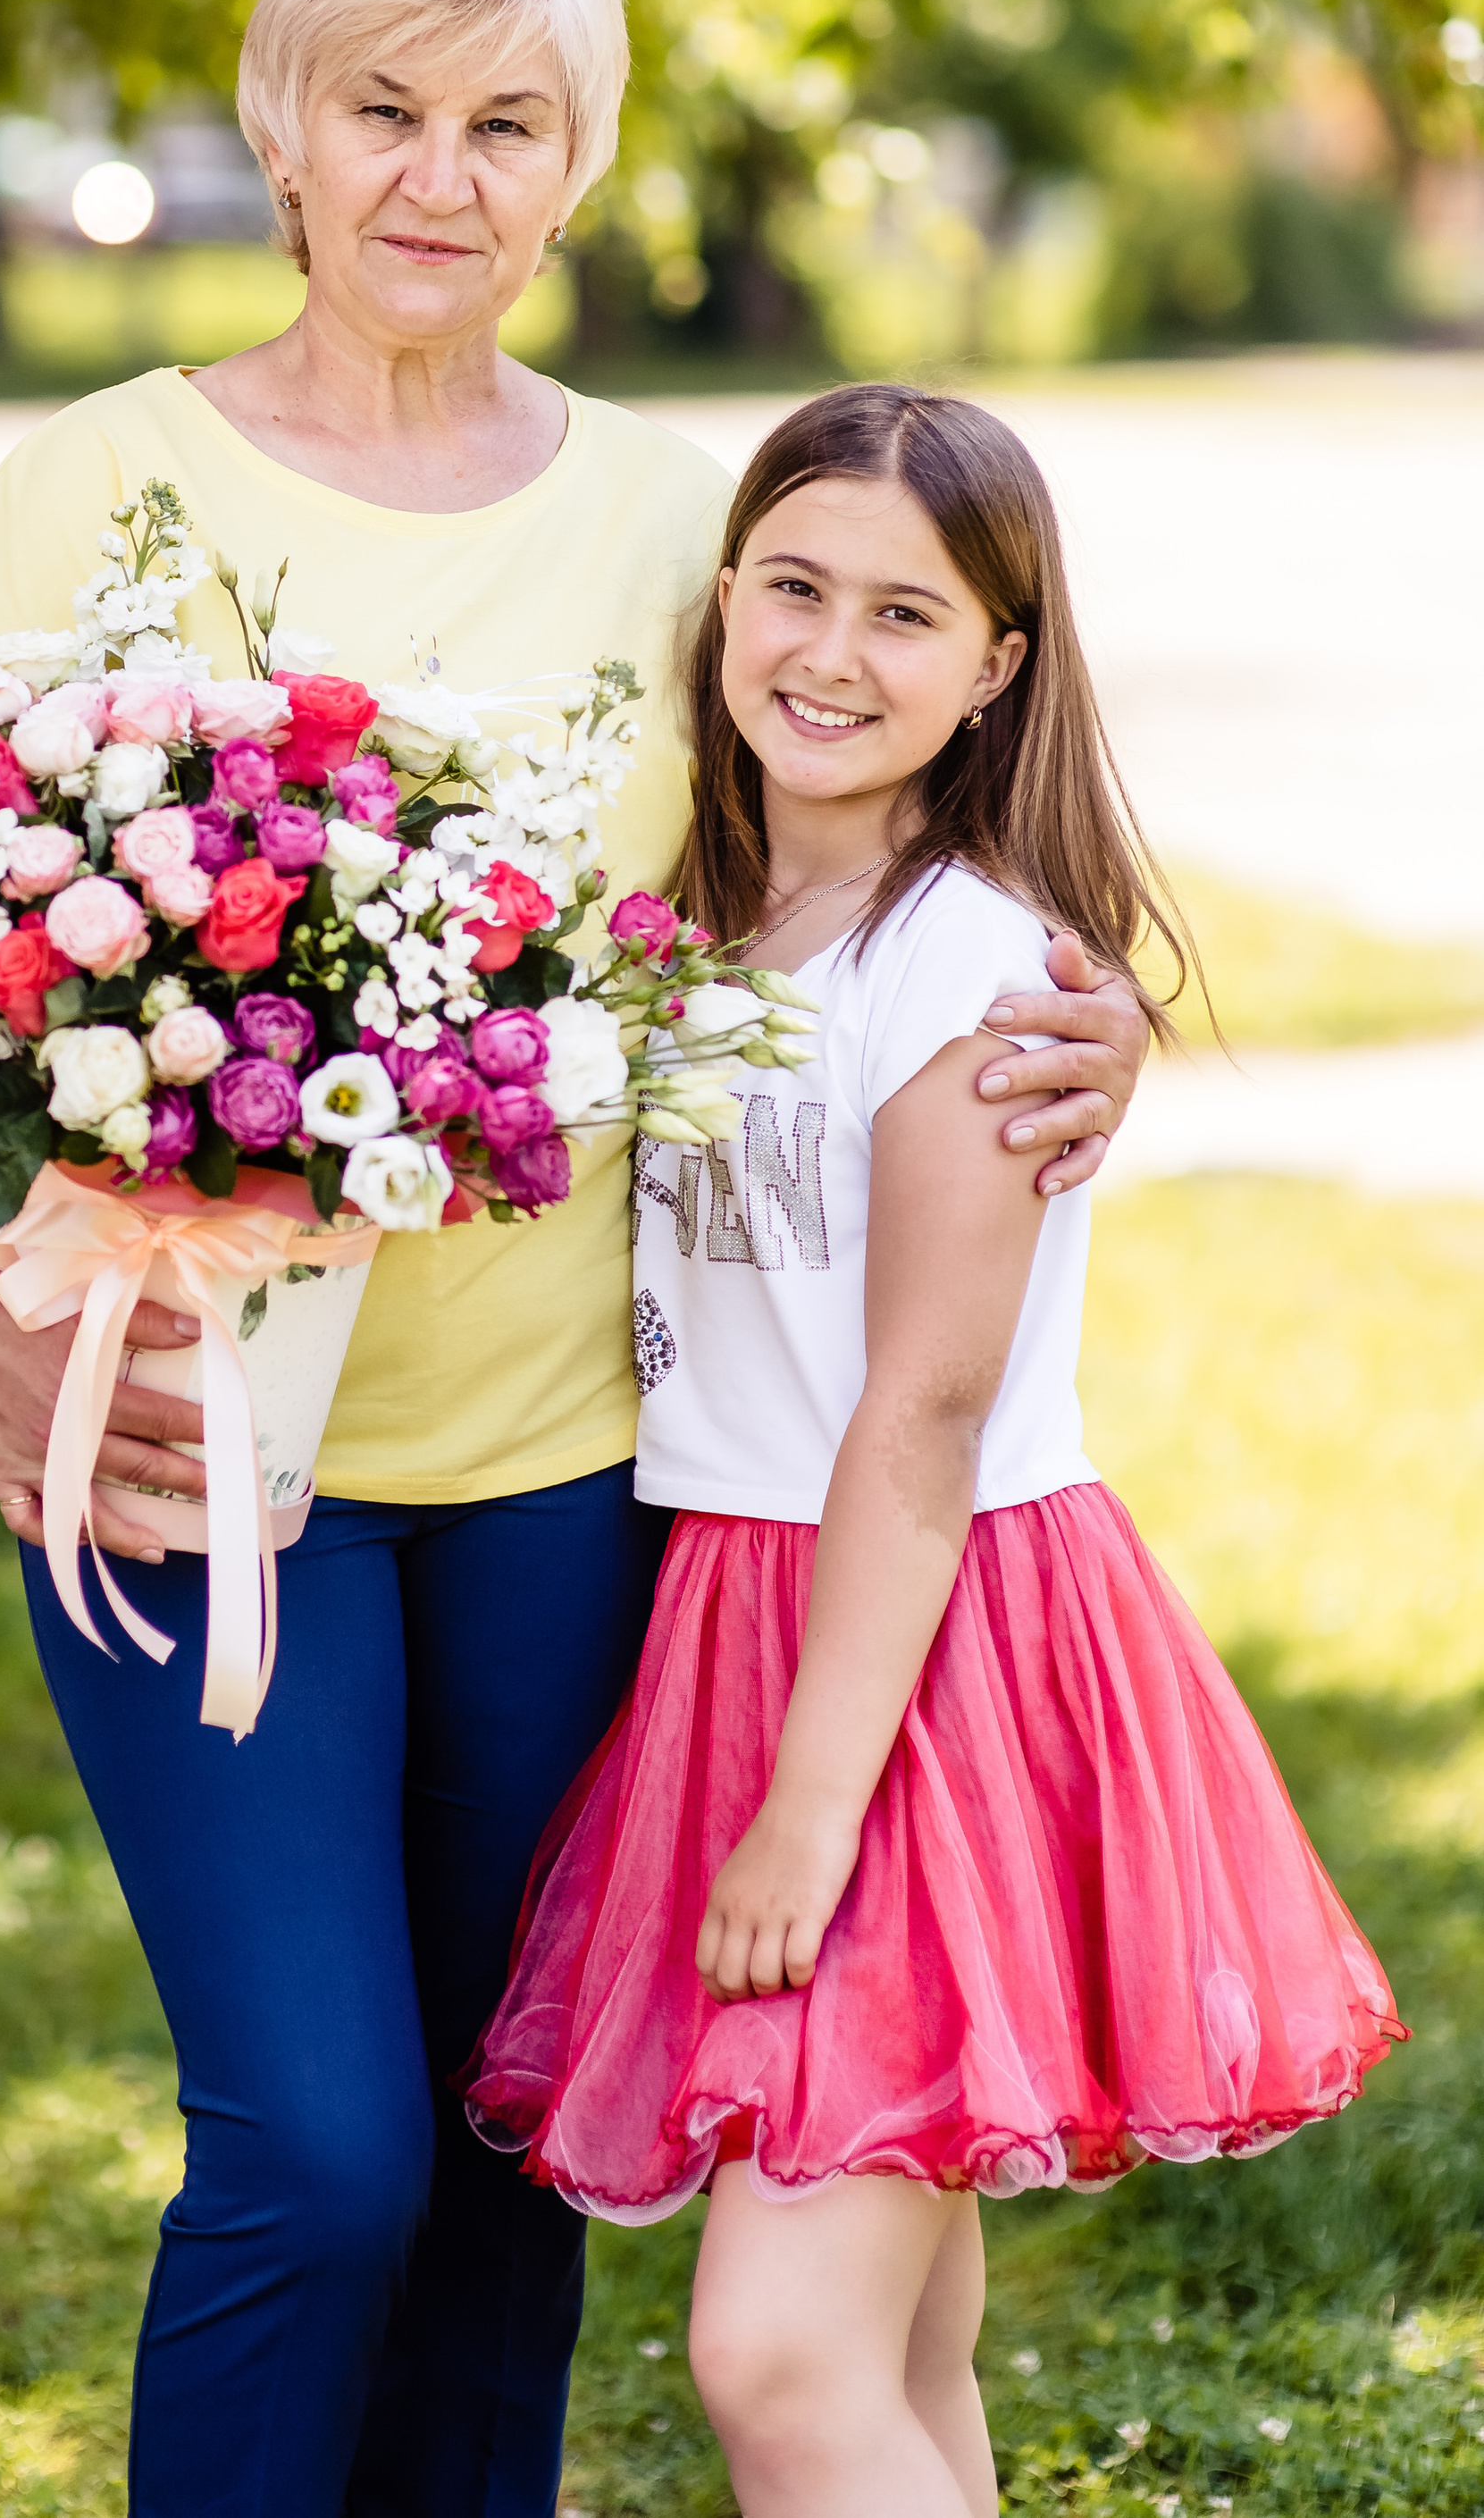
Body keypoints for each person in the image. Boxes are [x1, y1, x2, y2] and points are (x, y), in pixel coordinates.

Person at [0, 0, 1150, 2518]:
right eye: (385, 108)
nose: (442, 173)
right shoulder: (103, 488)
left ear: (579, 164)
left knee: (518, 2157)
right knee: (323, 2149)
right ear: (281, 135)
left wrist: (1090, 1018)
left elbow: (871, 844)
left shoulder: (680, 522)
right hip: (191, 1459)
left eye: (508, 122)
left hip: (573, 1484)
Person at [466, 383, 1403, 2518]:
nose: (827, 650)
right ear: (717, 608)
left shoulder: (967, 966)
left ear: (995, 670)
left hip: (916, 1647)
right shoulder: (711, 930)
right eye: (790, 587)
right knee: (899, 2333)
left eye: (904, 615)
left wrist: (808, 1809)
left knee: (776, 2352)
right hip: (747, 1608)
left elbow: (920, 1408)